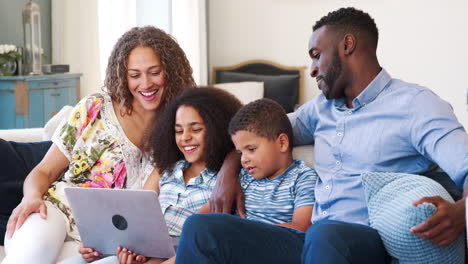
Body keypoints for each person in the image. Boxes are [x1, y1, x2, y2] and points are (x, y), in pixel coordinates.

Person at [175, 7, 468, 264]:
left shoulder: (415, 104)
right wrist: (228, 171)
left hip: (369, 242)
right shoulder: (321, 109)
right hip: (312, 241)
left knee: (326, 236)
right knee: (202, 229)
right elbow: (260, 135)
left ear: (347, 45)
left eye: (317, 56)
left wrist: (461, 213)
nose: (312, 68)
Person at [2, 26, 195, 264]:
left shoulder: (182, 126)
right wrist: (31, 197)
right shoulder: (95, 108)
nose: (145, 84)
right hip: (56, 213)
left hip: (110, 242)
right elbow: (45, 170)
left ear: (172, 71)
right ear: (123, 76)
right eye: (135, 75)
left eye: (154, 72)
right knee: (35, 252)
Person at [64, 87, 243, 264]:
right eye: (179, 131)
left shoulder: (222, 182)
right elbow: (135, 214)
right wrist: (103, 247)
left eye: (195, 130)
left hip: (176, 254)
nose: (185, 137)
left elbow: (198, 240)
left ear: (217, 130)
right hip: (142, 249)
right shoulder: (167, 169)